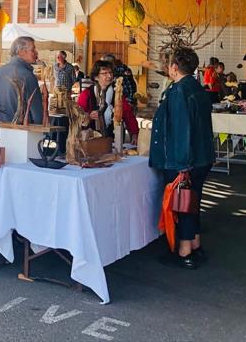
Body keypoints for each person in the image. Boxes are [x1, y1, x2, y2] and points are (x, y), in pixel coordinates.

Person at [149, 47, 214, 270]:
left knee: (183, 205)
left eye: (168, 64)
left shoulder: (178, 92)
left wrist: (182, 164)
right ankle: (195, 244)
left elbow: (181, 129)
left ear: (174, 67)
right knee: (193, 201)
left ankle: (184, 251)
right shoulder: (197, 87)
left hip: (186, 158)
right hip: (202, 156)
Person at [77, 60, 138, 143]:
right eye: (104, 73)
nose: (109, 76)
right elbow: (77, 117)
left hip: (114, 140)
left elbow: (128, 115)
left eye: (110, 72)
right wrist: (88, 116)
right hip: (90, 140)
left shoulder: (117, 95)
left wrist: (134, 133)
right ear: (96, 77)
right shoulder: (86, 94)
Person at [0, 36, 43, 124]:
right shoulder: (27, 75)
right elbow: (38, 116)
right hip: (22, 131)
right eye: (33, 49)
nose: (36, 52)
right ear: (21, 52)